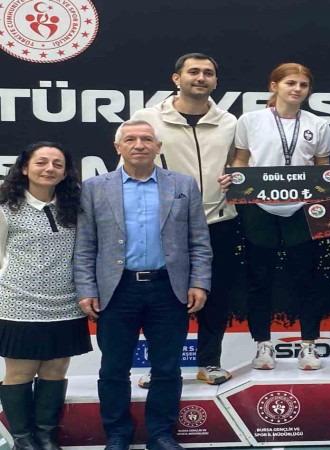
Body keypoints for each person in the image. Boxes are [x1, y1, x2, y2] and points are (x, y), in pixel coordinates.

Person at [74, 120, 212, 450]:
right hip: (116, 290)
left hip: (169, 289)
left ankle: (161, 434)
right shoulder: (94, 188)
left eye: (147, 139)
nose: (139, 145)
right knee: (113, 368)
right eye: (131, 139)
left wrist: (199, 282)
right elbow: (85, 244)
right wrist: (87, 288)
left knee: (167, 367)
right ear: (117, 147)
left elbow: (199, 240)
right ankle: (118, 434)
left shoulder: (183, 185)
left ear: (158, 147)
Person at [130, 53, 240, 388]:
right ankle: (161, 367)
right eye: (193, 72)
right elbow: (132, 166)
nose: (201, 77)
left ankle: (210, 362)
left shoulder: (229, 122)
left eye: (208, 73)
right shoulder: (148, 118)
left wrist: (237, 177)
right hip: (168, 223)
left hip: (220, 220)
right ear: (176, 78)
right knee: (166, 299)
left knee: (216, 296)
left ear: (216, 82)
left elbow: (241, 165)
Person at [224, 63, 330, 371]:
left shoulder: (318, 124)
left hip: (301, 210)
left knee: (307, 279)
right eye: (291, 83)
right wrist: (239, 184)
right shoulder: (250, 120)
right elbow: (241, 160)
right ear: (274, 86)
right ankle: (263, 345)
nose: (297, 89)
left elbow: (322, 165)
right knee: (259, 279)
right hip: (259, 209)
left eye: (303, 85)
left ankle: (308, 345)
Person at [0, 142, 91, 450]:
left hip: (67, 303)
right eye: (41, 162)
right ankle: (23, 439)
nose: (49, 169)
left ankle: (46, 435)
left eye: (57, 164)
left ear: (65, 172)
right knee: (20, 372)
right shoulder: (6, 207)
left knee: (55, 370)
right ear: (25, 168)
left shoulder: (74, 207)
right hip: (18, 304)